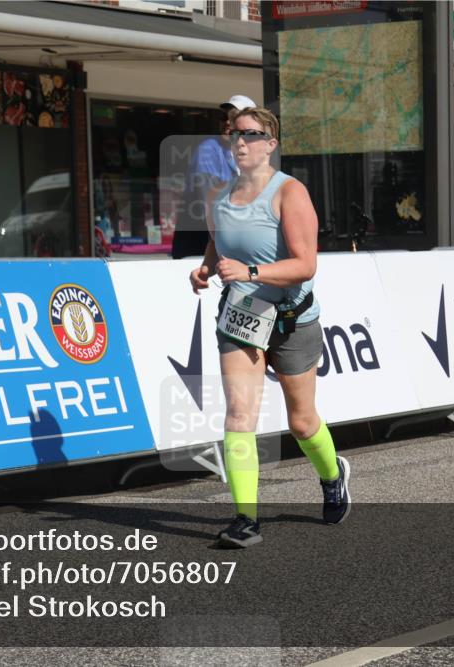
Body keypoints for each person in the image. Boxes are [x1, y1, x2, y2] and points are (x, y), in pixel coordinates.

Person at [188, 107, 350, 548]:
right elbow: (218, 239)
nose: (240, 143)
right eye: (234, 136)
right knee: (240, 414)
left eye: (251, 135)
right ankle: (245, 519)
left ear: (271, 144)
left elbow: (305, 264)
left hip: (292, 319)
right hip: (240, 315)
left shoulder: (290, 193)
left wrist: (251, 272)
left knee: (301, 422)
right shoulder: (218, 195)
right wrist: (204, 269)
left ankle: (333, 475)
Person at [171, 94, 256, 259]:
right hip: (199, 249)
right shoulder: (208, 150)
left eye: (233, 117)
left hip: (226, 248)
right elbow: (212, 207)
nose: (226, 122)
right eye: (223, 117)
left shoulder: (247, 156)